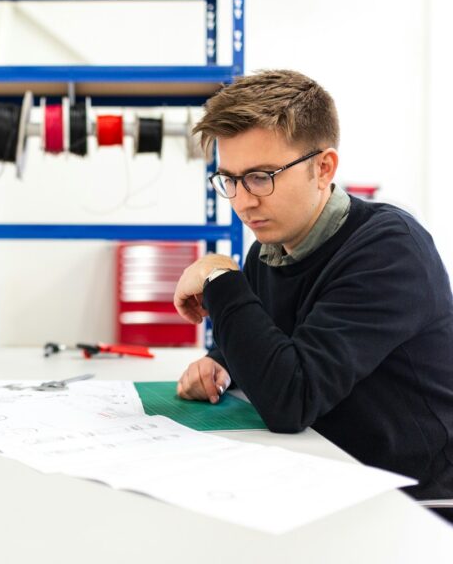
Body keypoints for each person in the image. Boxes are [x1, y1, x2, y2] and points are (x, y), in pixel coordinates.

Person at [173, 69, 453, 503]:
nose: (243, 201)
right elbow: (270, 343)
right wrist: (219, 366)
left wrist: (219, 277)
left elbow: (292, 398)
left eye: (261, 176)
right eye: (229, 179)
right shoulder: (270, 251)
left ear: (323, 168)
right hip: (320, 477)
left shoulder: (389, 251)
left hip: (414, 502)